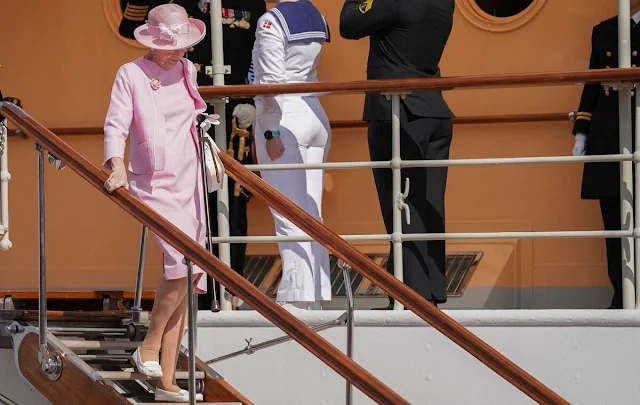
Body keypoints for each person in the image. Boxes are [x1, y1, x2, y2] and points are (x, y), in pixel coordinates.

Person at [119, 0, 267, 311]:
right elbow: (128, 27)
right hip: (185, 113)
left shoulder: (251, 2)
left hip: (235, 117)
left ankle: (230, 290)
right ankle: (197, 296)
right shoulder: (178, 3)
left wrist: (252, 98)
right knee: (191, 209)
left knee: (232, 204)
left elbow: (259, 54)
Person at [103, 4, 211, 401]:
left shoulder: (188, 70)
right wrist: (117, 167)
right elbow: (115, 124)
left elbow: (194, 111)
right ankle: (147, 347)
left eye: (183, 45)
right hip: (154, 182)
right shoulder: (130, 74)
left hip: (190, 178)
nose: (178, 52)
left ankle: (166, 380)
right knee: (179, 261)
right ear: (150, 41)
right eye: (170, 46)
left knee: (193, 271)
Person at [339, 0, 455, 308]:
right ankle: (430, 292)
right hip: (433, 108)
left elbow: (349, 24)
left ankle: (410, 298)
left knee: (402, 207)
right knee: (429, 205)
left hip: (398, 112)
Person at [252, 0, 332, 310]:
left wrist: (270, 131)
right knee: (312, 213)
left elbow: (270, 82)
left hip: (285, 119)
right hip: (313, 112)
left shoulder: (271, 21)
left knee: (288, 215)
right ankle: (315, 295)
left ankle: (296, 302)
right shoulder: (316, 14)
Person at [572, 1, 640, 309]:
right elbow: (593, 83)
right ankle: (622, 295)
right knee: (614, 224)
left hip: (637, 128)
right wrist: (582, 131)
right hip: (609, 135)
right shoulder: (604, 30)